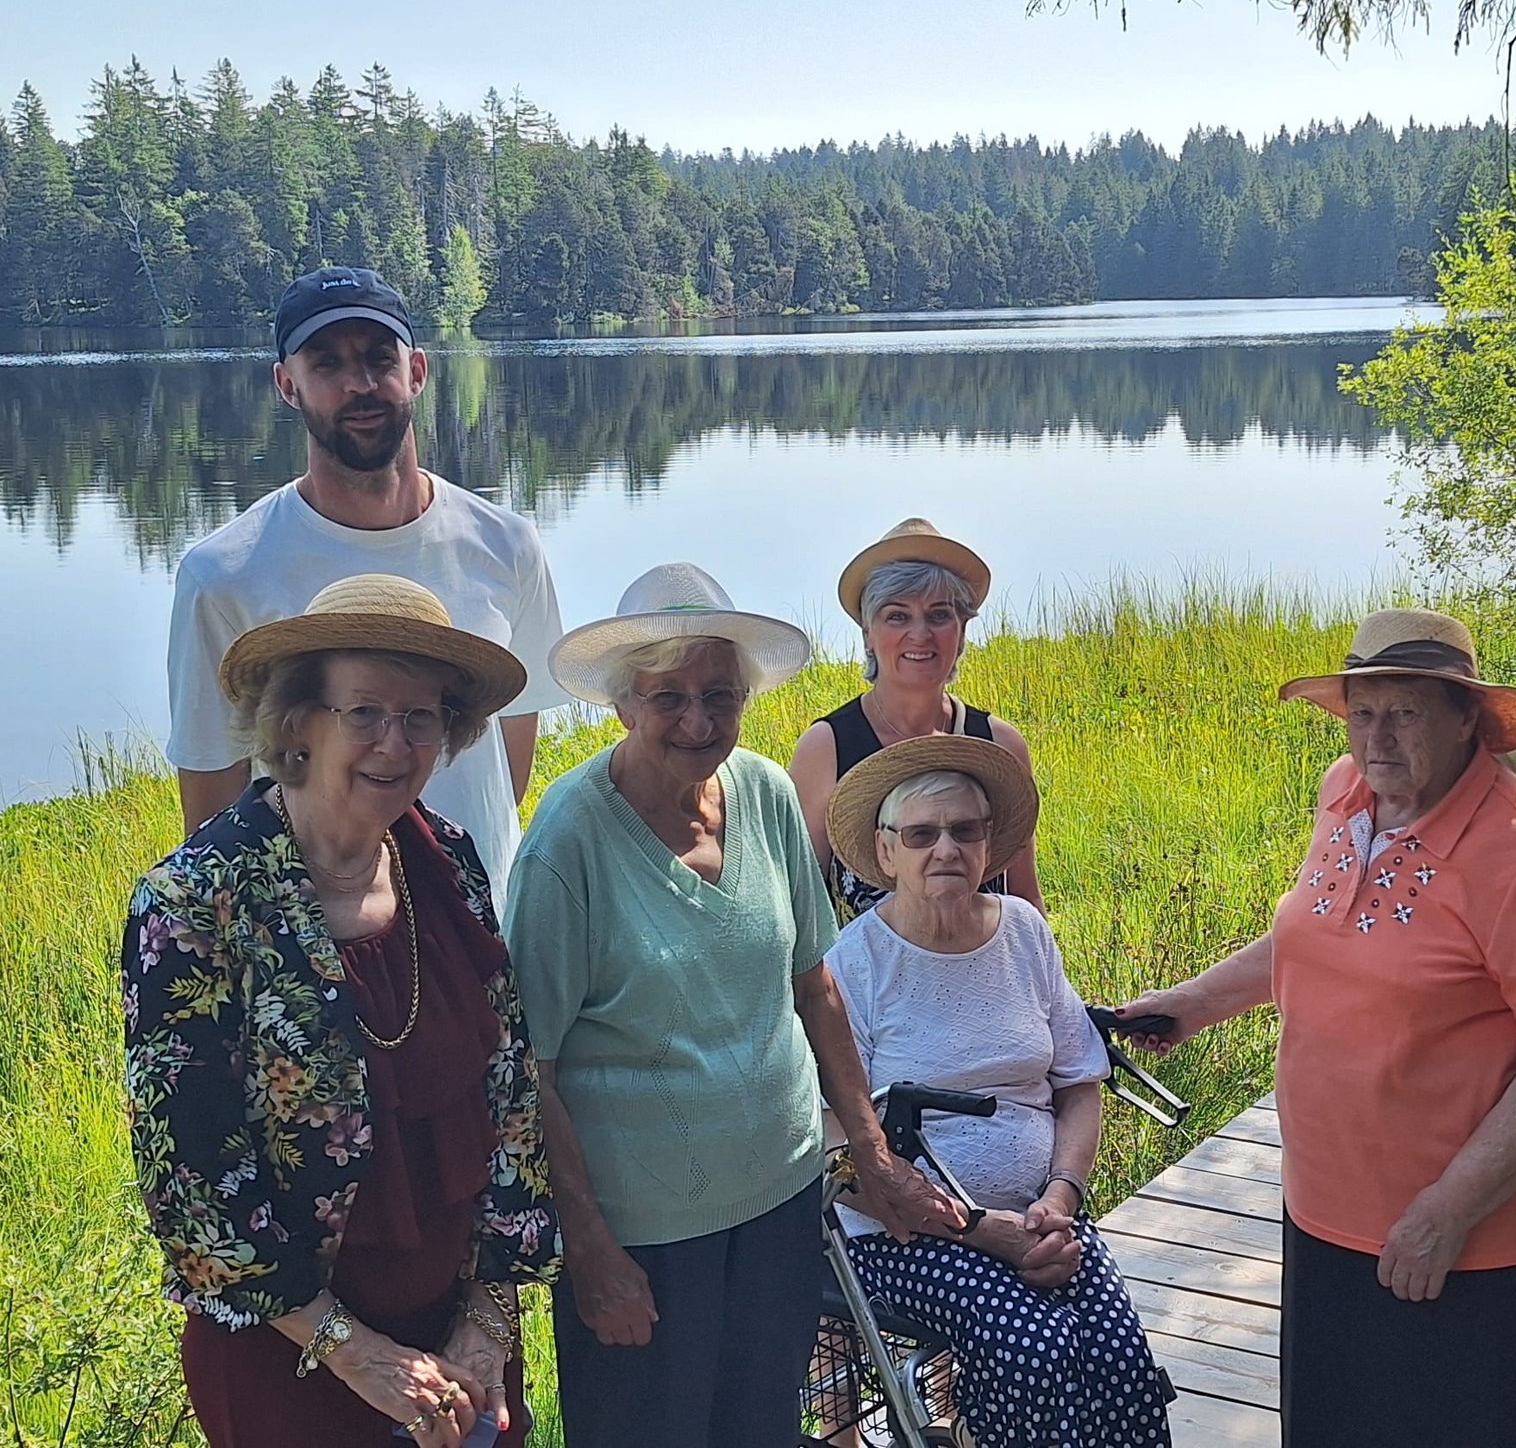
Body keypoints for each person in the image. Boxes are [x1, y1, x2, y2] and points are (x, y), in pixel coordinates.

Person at [500, 563, 964, 1448]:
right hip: (645, 1239)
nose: (697, 720)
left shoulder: (766, 793)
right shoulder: (569, 841)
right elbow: (531, 1071)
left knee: (761, 1428)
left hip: (780, 1202)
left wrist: (870, 1153)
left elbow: (814, 987)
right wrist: (590, 1250)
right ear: (622, 704)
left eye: (719, 694)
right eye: (667, 697)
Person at [1119, 608, 1516, 1448]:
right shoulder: (1347, 792)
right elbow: (1316, 932)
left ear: (1465, 720)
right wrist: (1195, 1001)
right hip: (1324, 1205)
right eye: (1361, 712)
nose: (1376, 739)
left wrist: (1446, 1211)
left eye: (1404, 713)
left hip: (1458, 1240)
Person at [124, 575, 560, 1448]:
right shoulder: (197, 899)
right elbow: (192, 1176)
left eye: (421, 716)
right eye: (364, 712)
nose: (394, 743)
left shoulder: (450, 862)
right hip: (292, 1363)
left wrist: (489, 1314)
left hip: (462, 1348)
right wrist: (355, 1353)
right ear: (300, 722)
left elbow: (510, 1094)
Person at [164, 266, 565, 905]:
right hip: (319, 932)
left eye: (380, 357)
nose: (359, 384)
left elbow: (513, 736)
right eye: (327, 363)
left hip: (484, 917)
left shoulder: (507, 545)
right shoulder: (224, 575)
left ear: (417, 371)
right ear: (287, 384)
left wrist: (463, 874)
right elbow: (213, 793)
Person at [822, 733, 1172, 1448]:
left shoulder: (1024, 932)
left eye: (965, 830)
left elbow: (1079, 1083)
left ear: (989, 843)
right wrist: (981, 1230)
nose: (945, 849)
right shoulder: (854, 965)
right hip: (906, 1236)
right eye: (921, 834)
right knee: (1034, 1350)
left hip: (1043, 1218)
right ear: (886, 853)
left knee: (1119, 1356)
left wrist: (1060, 1199)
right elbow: (830, 1141)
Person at [790, 516, 1043, 921]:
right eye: (897, 616)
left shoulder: (999, 744)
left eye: (939, 615)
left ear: (962, 632)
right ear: (868, 635)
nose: (920, 634)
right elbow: (802, 903)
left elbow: (1024, 897)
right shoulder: (827, 747)